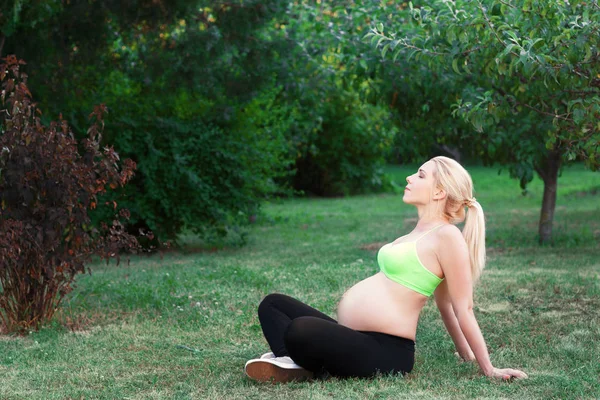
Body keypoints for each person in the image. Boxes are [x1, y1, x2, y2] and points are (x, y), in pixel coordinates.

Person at [244, 156, 528, 383]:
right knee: (273, 305)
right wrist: (463, 354)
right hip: (355, 338)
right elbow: (444, 307)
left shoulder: (447, 236)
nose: (409, 178)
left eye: (420, 175)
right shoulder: (415, 233)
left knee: (299, 330)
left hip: (387, 352)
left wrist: (486, 367)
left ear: (440, 191)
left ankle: (294, 359)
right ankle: (292, 362)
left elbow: (459, 308)